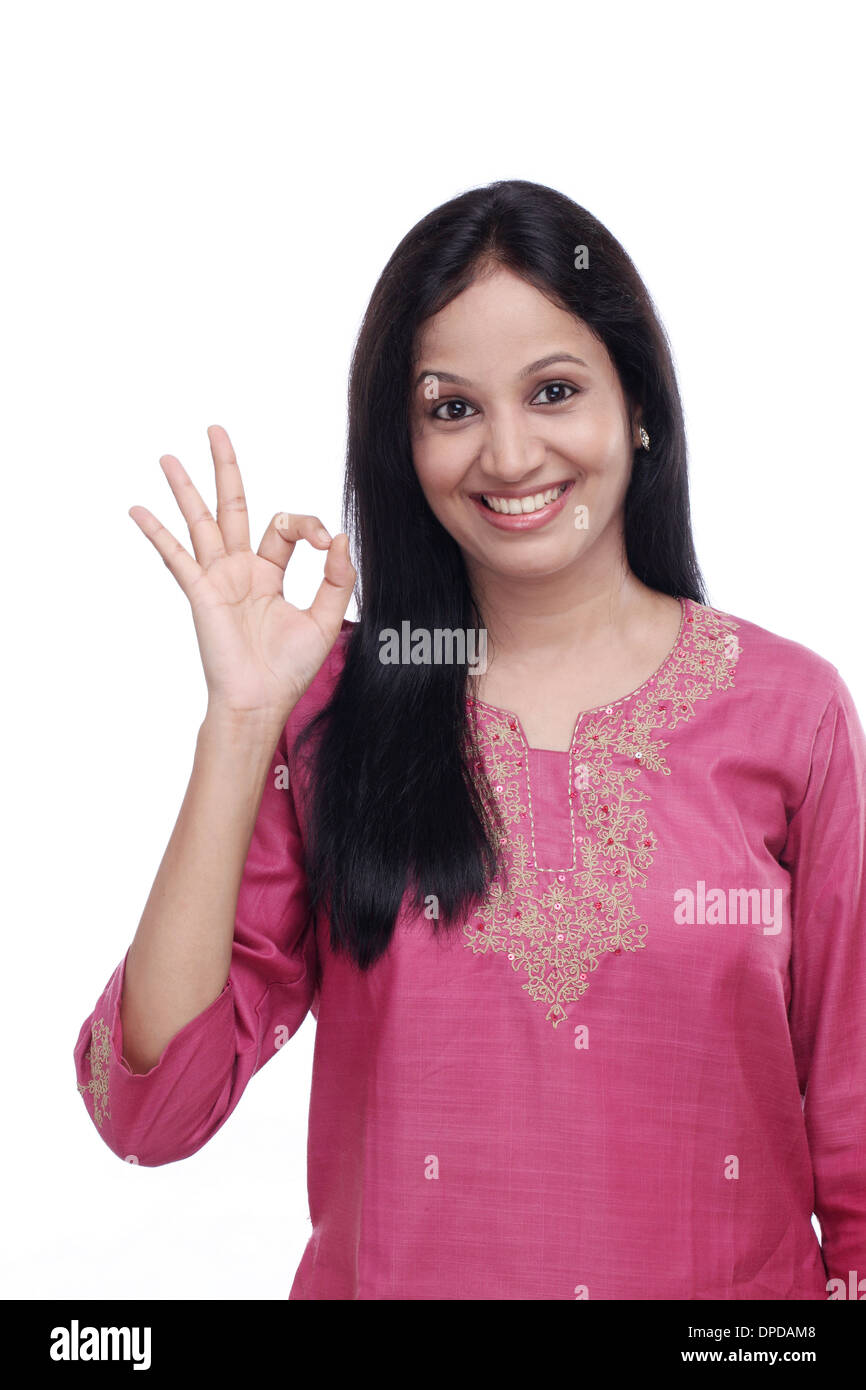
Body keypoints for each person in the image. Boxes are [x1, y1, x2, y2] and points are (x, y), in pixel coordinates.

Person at [74, 179, 866, 1300]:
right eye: (451, 408)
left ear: (636, 406)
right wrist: (242, 724)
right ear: (401, 443)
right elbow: (147, 1108)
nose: (507, 454)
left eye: (552, 390)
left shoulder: (789, 712)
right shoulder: (336, 705)